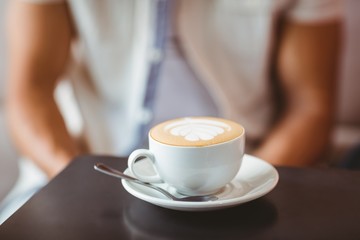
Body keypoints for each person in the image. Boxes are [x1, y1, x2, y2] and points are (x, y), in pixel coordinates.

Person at [1, 0, 343, 222]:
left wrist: (245, 185)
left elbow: (310, 107)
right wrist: (75, 178)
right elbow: (31, 91)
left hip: (246, 174)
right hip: (87, 167)